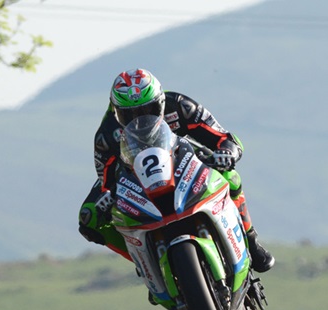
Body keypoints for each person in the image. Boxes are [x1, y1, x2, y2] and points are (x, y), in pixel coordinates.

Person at [78, 68, 275, 273]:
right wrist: (107, 197)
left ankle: (250, 240)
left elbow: (224, 138)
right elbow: (106, 181)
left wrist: (227, 153)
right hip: (132, 172)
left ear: (161, 101)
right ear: (115, 111)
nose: (140, 119)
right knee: (89, 219)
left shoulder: (181, 105)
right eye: (129, 115)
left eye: (149, 110)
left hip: (184, 156)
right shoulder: (106, 135)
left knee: (231, 177)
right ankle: (144, 263)